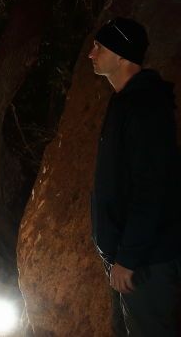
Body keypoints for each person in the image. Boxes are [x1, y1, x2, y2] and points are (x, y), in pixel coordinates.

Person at [87, 17, 181, 336]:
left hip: (145, 262)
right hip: (129, 257)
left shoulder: (146, 108)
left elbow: (151, 188)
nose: (91, 53)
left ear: (122, 55)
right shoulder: (125, 102)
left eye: (99, 47)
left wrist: (127, 258)